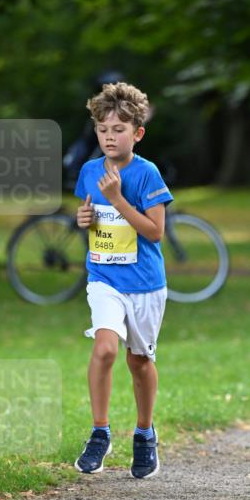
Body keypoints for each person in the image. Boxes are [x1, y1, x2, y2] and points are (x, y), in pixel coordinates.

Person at [73, 81, 173, 478]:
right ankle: (100, 432)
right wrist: (84, 220)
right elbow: (90, 217)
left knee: (139, 360)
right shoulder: (89, 171)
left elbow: (155, 232)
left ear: (137, 133)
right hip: (104, 278)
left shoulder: (147, 174)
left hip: (145, 284)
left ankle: (145, 434)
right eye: (102, 130)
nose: (109, 137)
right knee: (105, 350)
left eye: (118, 130)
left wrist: (117, 200)